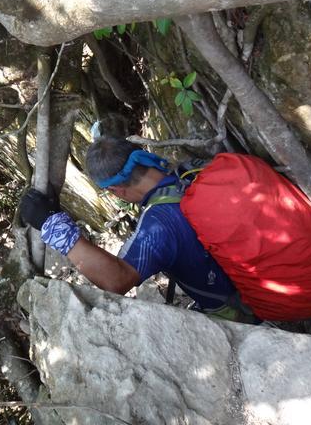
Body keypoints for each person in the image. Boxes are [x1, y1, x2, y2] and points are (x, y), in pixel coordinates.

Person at [20, 136, 250, 320]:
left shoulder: (159, 225)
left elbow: (116, 280)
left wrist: (53, 226)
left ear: (116, 191)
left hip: (241, 307)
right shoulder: (194, 169)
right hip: (256, 266)